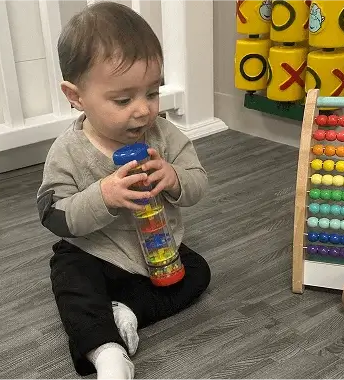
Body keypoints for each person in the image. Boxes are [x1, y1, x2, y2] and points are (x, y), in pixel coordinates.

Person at [35, 2, 212, 379]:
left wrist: (175, 178)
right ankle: (107, 353)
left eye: (152, 93)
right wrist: (104, 196)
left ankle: (128, 310)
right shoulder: (68, 151)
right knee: (70, 279)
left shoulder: (166, 137)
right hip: (94, 251)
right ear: (76, 95)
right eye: (123, 100)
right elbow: (54, 214)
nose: (143, 110)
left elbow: (198, 182)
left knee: (198, 271)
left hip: (157, 251)